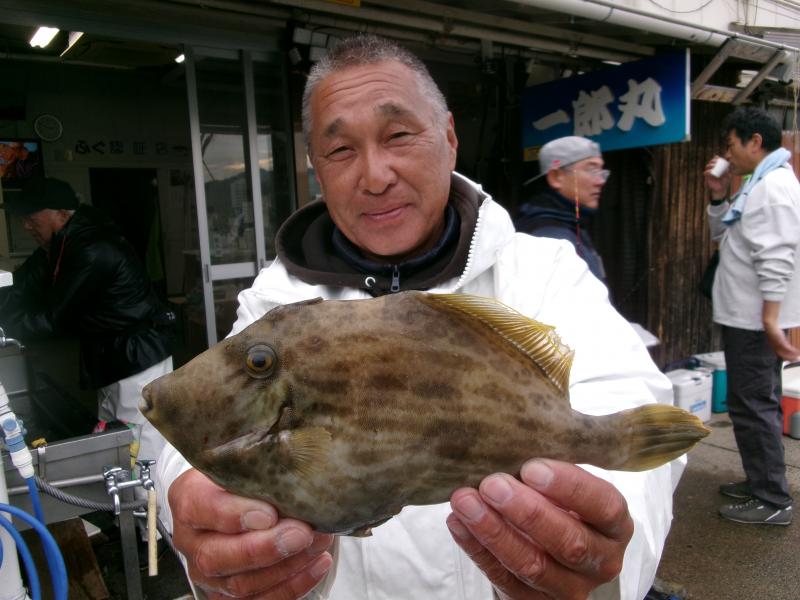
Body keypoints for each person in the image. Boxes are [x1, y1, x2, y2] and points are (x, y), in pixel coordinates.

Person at [155, 34, 682, 600]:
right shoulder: (275, 300)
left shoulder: (545, 272)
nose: (375, 175)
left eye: (399, 135)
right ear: (315, 168)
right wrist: (185, 503)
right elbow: (208, 439)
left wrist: (590, 555)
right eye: (340, 151)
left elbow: (627, 425)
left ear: (449, 139)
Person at [0, 177, 174, 465]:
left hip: (136, 357)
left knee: (142, 442)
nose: (26, 226)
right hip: (112, 356)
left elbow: (55, 319)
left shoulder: (91, 248)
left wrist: (6, 328)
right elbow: (23, 285)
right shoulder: (63, 243)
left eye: (31, 218)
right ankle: (124, 502)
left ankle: (151, 506)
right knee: (112, 436)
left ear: (60, 212)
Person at [703, 106, 800, 526]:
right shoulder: (754, 185)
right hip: (746, 317)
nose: (728, 152)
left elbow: (776, 258)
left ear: (754, 142)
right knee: (752, 402)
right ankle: (759, 480)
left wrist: (770, 321)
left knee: (754, 405)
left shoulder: (772, 188)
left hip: (753, 321)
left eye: (730, 144)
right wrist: (717, 193)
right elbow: (722, 235)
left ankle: (772, 498)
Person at [515, 135, 609, 284]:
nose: (600, 181)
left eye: (602, 172)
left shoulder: (570, 225)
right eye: (591, 169)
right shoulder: (548, 237)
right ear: (556, 177)